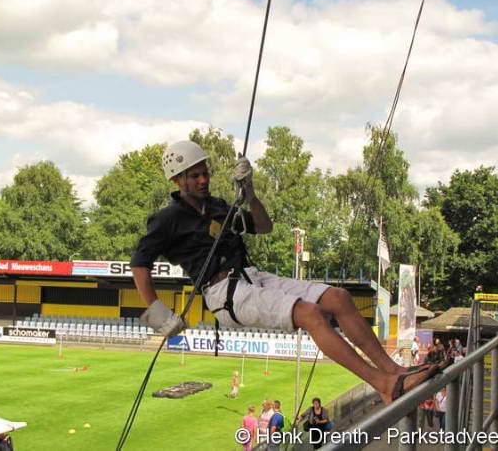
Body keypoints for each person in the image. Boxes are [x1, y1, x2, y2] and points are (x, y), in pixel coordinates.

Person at [130, 141, 441, 404]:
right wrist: (156, 310)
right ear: (177, 180)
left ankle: (394, 371)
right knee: (310, 313)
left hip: (251, 277)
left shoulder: (218, 206)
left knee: (339, 298)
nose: (203, 180)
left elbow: (263, 226)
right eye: (194, 175)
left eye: (204, 173)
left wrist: (250, 194)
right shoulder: (167, 219)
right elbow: (140, 264)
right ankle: (384, 385)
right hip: (223, 293)